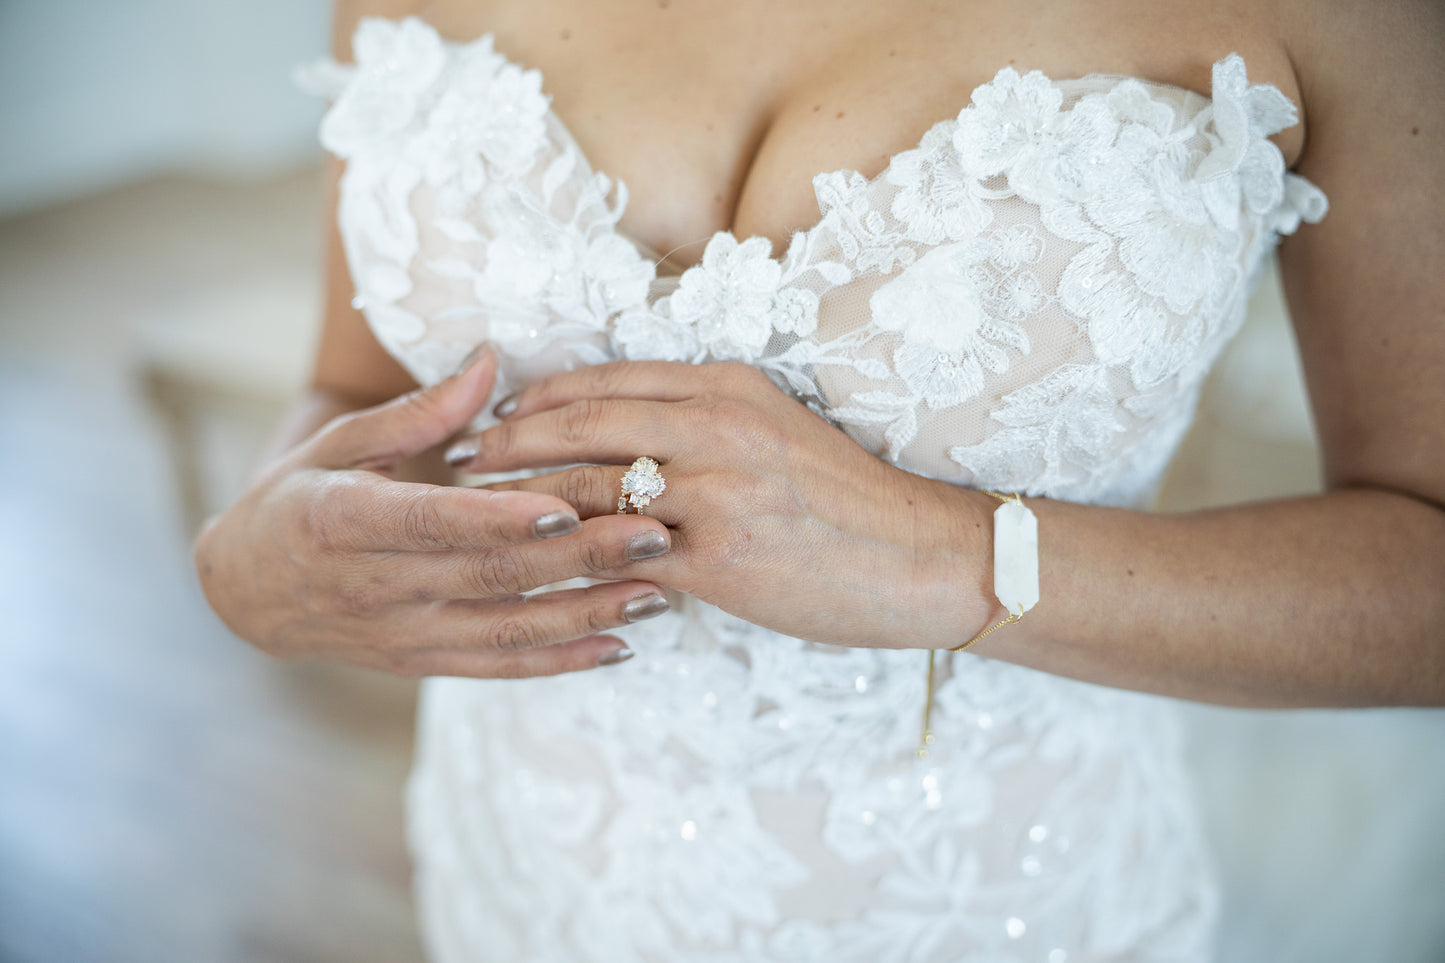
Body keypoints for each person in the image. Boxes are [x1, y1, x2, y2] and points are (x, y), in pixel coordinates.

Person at [195, 0, 1445, 959]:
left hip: (997, 900)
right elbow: (362, 395)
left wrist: (937, 555)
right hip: (529, 873)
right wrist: (255, 547)